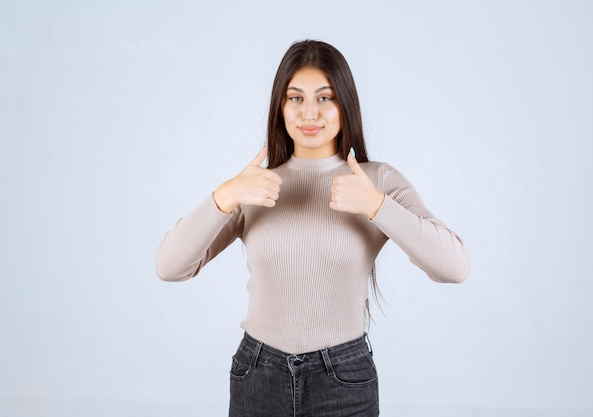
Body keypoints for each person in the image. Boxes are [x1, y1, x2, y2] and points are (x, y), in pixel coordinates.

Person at [155, 40, 469, 417]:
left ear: (345, 105)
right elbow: (170, 267)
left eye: (325, 98)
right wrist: (225, 196)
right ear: (280, 107)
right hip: (258, 375)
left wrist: (376, 206)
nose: (309, 113)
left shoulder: (377, 181)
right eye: (296, 98)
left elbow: (453, 267)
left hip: (343, 377)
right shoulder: (254, 186)